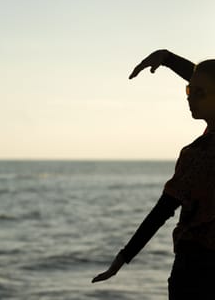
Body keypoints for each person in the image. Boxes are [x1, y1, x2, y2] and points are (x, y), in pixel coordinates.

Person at [92, 50, 215, 300]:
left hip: (195, 271)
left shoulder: (198, 154)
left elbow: (163, 209)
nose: (190, 99)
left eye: (199, 94)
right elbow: (206, 80)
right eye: (189, 91)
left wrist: (123, 257)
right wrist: (168, 59)